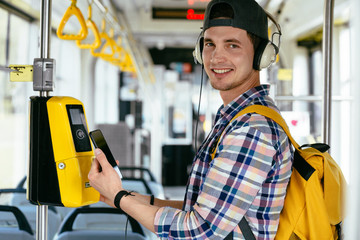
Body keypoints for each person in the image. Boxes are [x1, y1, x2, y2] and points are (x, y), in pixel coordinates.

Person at [88, 0, 294, 239]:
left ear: (261, 56)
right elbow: (200, 211)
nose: (216, 57)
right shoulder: (236, 119)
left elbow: (199, 231)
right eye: (209, 44)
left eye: (232, 45)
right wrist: (120, 194)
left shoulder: (252, 130)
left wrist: (119, 197)